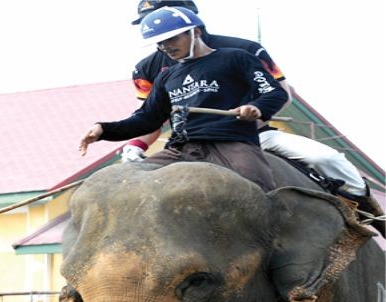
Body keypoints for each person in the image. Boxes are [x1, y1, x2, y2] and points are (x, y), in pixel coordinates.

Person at [120, 0, 378, 213]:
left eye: (163, 19)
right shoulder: (145, 69)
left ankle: (370, 209)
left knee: (326, 158)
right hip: (189, 143)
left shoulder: (244, 49)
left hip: (253, 136)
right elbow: (152, 117)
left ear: (191, 22)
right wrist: (135, 146)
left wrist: (246, 119)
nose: (155, 29)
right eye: (149, 22)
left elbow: (282, 94)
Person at [79, 6, 288, 192]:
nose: (166, 47)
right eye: (161, 43)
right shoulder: (165, 77)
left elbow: (275, 93)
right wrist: (103, 130)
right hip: (180, 149)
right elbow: (146, 119)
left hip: (231, 143)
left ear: (195, 31)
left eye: (172, 38)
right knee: (125, 185)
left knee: (255, 191)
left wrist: (256, 107)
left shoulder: (237, 57)